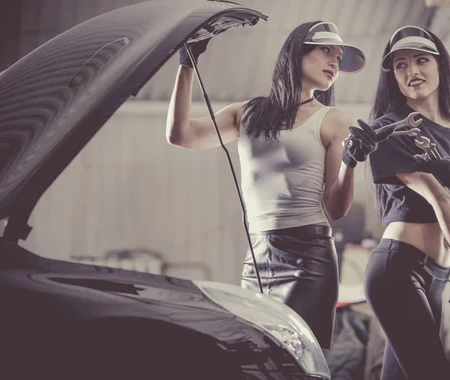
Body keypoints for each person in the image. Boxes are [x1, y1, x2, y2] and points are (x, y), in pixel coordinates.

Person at [166, 21, 395, 349]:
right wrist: (187, 64)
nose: (335, 62)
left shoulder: (333, 120)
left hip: (309, 255)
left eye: (339, 57)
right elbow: (180, 135)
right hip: (257, 253)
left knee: (298, 359)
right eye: (327, 51)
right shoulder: (247, 114)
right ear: (297, 52)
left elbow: (336, 209)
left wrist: (351, 161)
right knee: (256, 357)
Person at [340, 25, 450, 379]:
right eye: (401, 65)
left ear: (440, 67)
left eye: (421, 60)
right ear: (393, 77)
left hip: (438, 276)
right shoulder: (390, 128)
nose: (412, 71)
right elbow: (437, 196)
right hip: (397, 270)